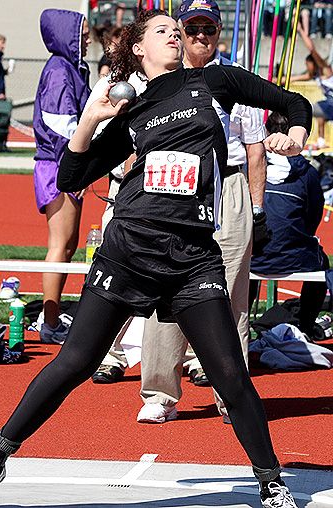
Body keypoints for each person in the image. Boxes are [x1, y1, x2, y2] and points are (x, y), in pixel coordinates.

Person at [0, 10, 311, 508]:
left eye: (177, 30)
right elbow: (72, 175)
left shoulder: (214, 80)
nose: (175, 34)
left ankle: (271, 482)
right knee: (75, 362)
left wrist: (297, 134)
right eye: (162, 30)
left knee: (229, 372)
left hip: (193, 256)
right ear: (138, 48)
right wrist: (90, 119)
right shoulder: (132, 109)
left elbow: (291, 101)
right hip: (130, 249)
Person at [135, 0, 268, 423]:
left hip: (228, 186)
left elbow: (255, 149)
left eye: (208, 28)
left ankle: (232, 395)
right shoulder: (160, 79)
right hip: (174, 185)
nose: (200, 36)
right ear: (180, 32)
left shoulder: (234, 79)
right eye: (191, 28)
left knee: (230, 294)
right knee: (166, 285)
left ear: (218, 33)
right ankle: (159, 393)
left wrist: (258, 209)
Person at [32, 9, 91, 344]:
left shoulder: (70, 68)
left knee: (68, 246)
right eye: (82, 33)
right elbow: (60, 124)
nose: (87, 38)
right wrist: (79, 162)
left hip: (62, 164)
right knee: (60, 245)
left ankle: (50, 319)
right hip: (57, 165)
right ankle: (50, 322)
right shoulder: (59, 69)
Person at [250, 111, 330, 339]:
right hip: (294, 256)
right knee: (322, 265)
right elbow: (313, 216)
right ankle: (305, 325)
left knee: (245, 261)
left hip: (254, 255)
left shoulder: (251, 165)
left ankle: (240, 323)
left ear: (266, 131)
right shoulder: (307, 172)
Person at [290, 24, 333, 148]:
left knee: (305, 109)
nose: (307, 68)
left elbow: (311, 49)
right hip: (329, 104)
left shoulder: (325, 70)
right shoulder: (314, 75)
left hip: (331, 104)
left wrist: (300, 30)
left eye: (308, 65)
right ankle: (321, 141)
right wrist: (276, 80)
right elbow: (296, 78)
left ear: (313, 63)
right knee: (321, 109)